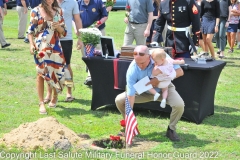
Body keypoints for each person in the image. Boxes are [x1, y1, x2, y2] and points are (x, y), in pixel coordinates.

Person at [115, 45, 185, 141]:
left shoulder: (159, 55)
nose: (140, 66)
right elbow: (130, 95)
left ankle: (171, 129)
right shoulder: (132, 70)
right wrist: (129, 116)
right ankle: (130, 126)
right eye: (137, 63)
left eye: (143, 63)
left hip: (164, 88)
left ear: (150, 57)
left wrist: (158, 79)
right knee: (119, 100)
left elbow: (180, 72)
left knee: (179, 105)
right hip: (143, 90)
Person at [27, 0, 67, 114]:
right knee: (41, 73)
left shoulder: (59, 11)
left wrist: (58, 27)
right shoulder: (36, 10)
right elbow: (30, 31)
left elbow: (64, 32)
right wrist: (31, 44)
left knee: (56, 71)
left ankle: (54, 96)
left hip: (55, 47)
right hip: (41, 47)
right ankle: (41, 103)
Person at [44, 0, 83, 103]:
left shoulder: (73, 2)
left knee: (66, 66)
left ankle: (69, 92)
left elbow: (77, 20)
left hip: (66, 39)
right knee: (49, 66)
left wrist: (80, 38)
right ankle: (49, 93)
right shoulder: (50, 1)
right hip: (51, 38)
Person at [76, 0, 108, 86]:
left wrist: (98, 23)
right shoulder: (78, 3)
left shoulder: (98, 2)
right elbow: (74, 18)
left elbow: (105, 16)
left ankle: (92, 76)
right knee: (85, 55)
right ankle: (91, 73)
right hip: (83, 32)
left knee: (97, 53)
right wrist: (76, 29)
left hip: (97, 31)